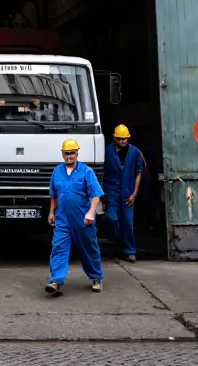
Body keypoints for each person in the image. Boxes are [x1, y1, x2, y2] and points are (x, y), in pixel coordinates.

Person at [45, 137, 104, 295]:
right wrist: (51, 212)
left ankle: (96, 277)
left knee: (89, 248)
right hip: (62, 217)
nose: (69, 156)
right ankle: (56, 281)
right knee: (58, 247)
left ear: (77, 153)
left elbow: (96, 195)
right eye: (66, 153)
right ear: (62, 154)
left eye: (72, 153)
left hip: (83, 218)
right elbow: (54, 195)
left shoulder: (86, 171)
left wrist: (91, 212)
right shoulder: (57, 171)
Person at [103, 124, 145, 263]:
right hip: (112, 192)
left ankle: (129, 251)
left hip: (128, 192)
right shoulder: (106, 152)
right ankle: (118, 241)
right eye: (120, 139)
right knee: (112, 218)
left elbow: (139, 173)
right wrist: (103, 196)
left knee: (127, 222)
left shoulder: (135, 152)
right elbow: (102, 173)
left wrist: (134, 193)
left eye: (125, 139)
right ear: (114, 137)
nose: (122, 141)